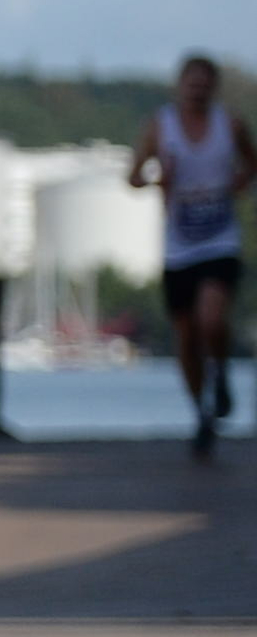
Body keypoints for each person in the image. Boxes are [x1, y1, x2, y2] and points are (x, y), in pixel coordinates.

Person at [130, 53, 244, 459]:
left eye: (204, 83)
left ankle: (222, 372)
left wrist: (238, 182)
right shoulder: (160, 127)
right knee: (186, 334)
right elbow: (132, 176)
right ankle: (201, 412)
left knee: (211, 318)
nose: (197, 90)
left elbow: (252, 162)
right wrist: (158, 179)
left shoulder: (230, 126)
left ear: (214, 87)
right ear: (179, 85)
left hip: (221, 240)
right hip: (179, 246)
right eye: (191, 82)